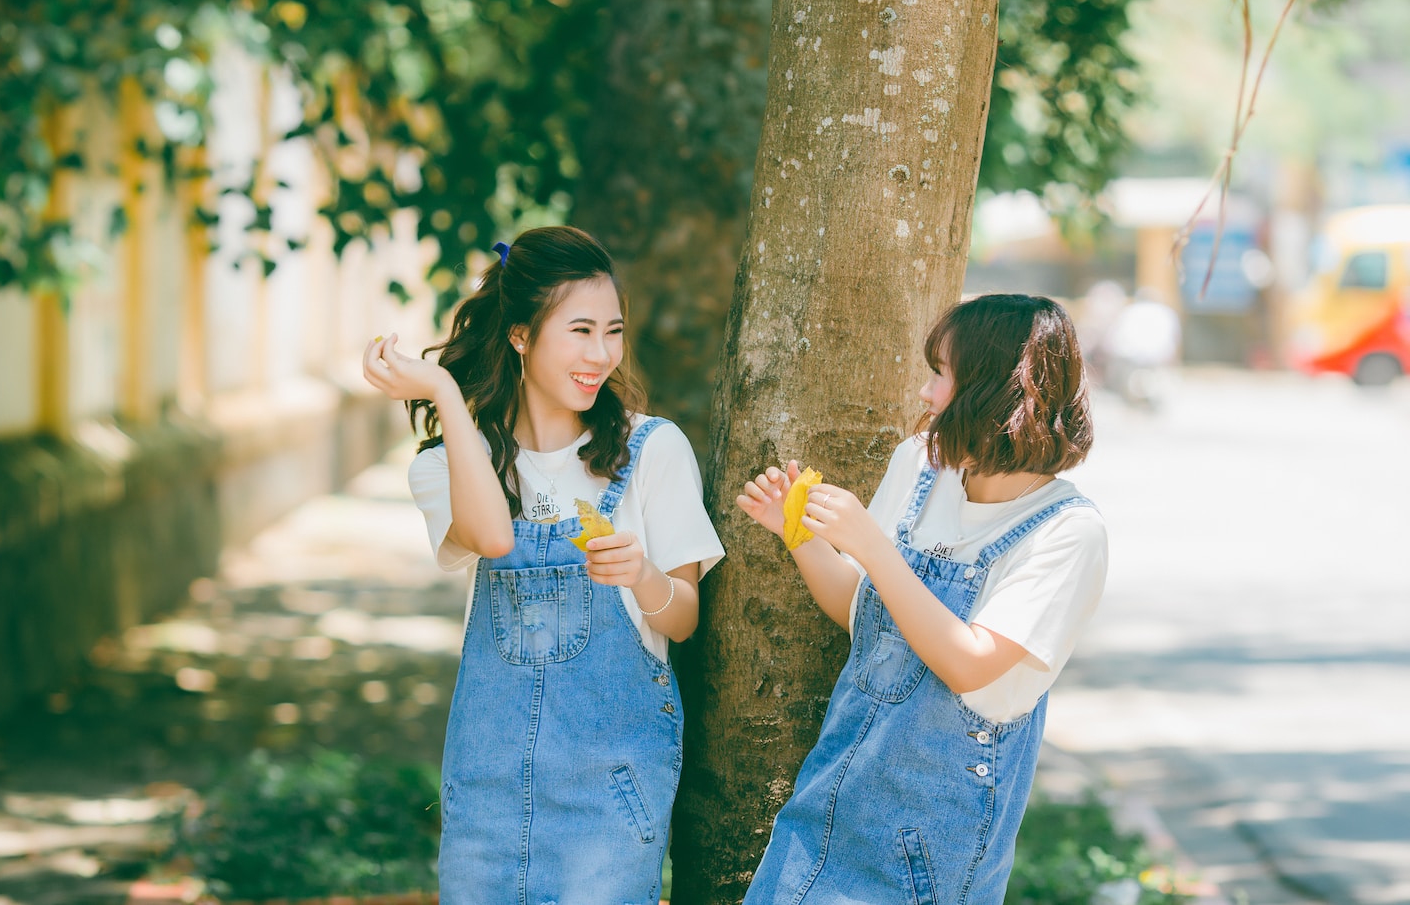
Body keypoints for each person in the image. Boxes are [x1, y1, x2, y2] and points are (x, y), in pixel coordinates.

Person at [362, 225, 723, 904]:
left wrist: (641, 575)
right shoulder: (448, 465)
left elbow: (683, 618)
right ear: (521, 335)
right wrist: (444, 390)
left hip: (611, 807)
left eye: (612, 331)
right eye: (580, 330)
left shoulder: (653, 451)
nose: (602, 354)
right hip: (487, 808)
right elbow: (493, 537)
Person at [736, 293, 1106, 905]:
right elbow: (863, 613)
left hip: (931, 843)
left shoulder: (1067, 531)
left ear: (995, 393)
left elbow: (969, 661)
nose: (928, 394)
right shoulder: (920, 463)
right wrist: (796, 532)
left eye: (942, 375)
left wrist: (875, 547)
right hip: (830, 800)